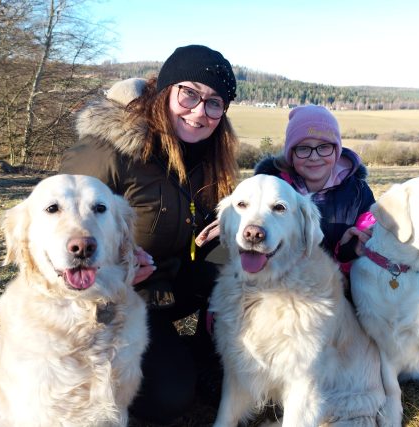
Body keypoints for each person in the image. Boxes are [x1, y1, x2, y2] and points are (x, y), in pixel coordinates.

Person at [59, 44, 238, 424]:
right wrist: (114, 271)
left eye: (214, 103)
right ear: (165, 91)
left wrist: (229, 230)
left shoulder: (208, 158)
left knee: (235, 266)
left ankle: (211, 357)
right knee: (167, 398)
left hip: (166, 287)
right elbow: (56, 237)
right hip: (108, 303)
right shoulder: (107, 153)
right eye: (189, 93)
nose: (199, 112)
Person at [255, 104, 375, 270]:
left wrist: (348, 248)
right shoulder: (272, 190)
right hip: (284, 285)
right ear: (291, 153)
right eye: (304, 148)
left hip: (341, 286)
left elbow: (369, 238)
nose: (314, 157)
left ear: (336, 150)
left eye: (324, 147)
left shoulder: (357, 192)